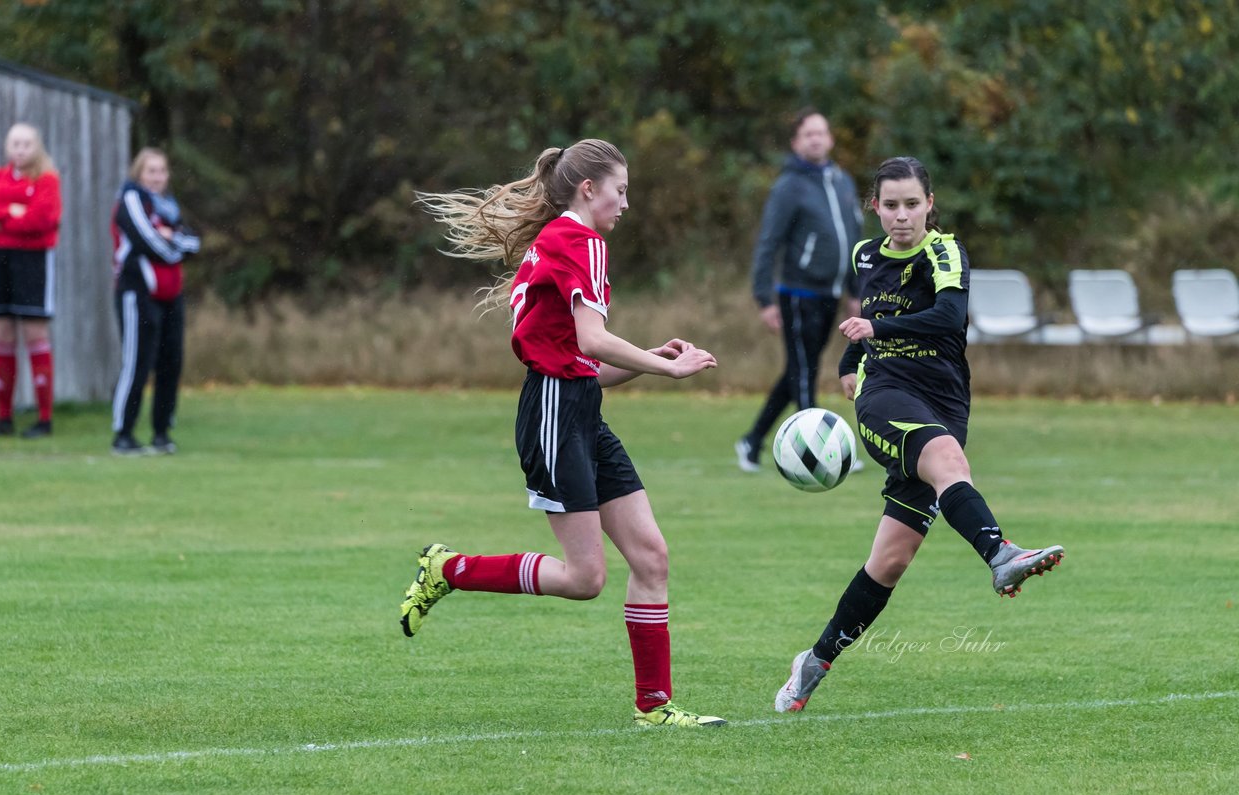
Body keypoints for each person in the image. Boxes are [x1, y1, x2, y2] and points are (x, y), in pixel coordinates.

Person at [408, 139, 727, 728]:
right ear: (589, 190)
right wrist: (671, 367)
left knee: (651, 557)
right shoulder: (580, 240)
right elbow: (591, 341)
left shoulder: (565, 240)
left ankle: (654, 707)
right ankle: (449, 569)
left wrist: (646, 359)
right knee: (585, 579)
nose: (625, 203)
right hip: (554, 413)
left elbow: (592, 367)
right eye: (620, 191)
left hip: (578, 408)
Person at [773, 156, 1065, 714]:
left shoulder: (945, 252)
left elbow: (949, 318)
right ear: (874, 207)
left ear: (930, 204)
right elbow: (870, 316)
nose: (901, 216)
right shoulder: (865, 255)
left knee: (890, 562)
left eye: (912, 204)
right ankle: (999, 554)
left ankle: (813, 662)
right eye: (890, 205)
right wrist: (850, 362)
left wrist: (871, 331)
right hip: (885, 398)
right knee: (948, 461)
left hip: (945, 401)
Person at [736, 108, 863, 473]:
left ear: (831, 139)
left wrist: (854, 289)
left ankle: (752, 440)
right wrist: (764, 298)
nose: (816, 139)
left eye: (821, 133)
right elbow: (769, 242)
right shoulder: (788, 186)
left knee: (800, 369)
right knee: (803, 371)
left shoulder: (842, 181)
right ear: (796, 142)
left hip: (832, 294)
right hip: (796, 293)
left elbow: (852, 237)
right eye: (808, 134)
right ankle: (822, 450)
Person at [0, 123, 62, 438]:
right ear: (7, 147)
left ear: (36, 147)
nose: (20, 149)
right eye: (15, 144)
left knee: (35, 334)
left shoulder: (47, 180)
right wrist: (10, 210)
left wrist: (3, 221)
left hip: (32, 262)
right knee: (1, 335)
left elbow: (43, 219)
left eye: (26, 144)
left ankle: (45, 418)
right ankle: (3, 416)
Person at [110, 147, 200, 455]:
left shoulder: (169, 207)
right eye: (151, 171)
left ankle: (162, 431)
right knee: (137, 362)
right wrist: (175, 245)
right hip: (138, 292)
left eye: (162, 171)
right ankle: (124, 433)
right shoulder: (130, 200)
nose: (157, 177)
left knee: (171, 362)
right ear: (139, 173)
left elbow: (193, 241)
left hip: (171, 294)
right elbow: (148, 242)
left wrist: (172, 238)